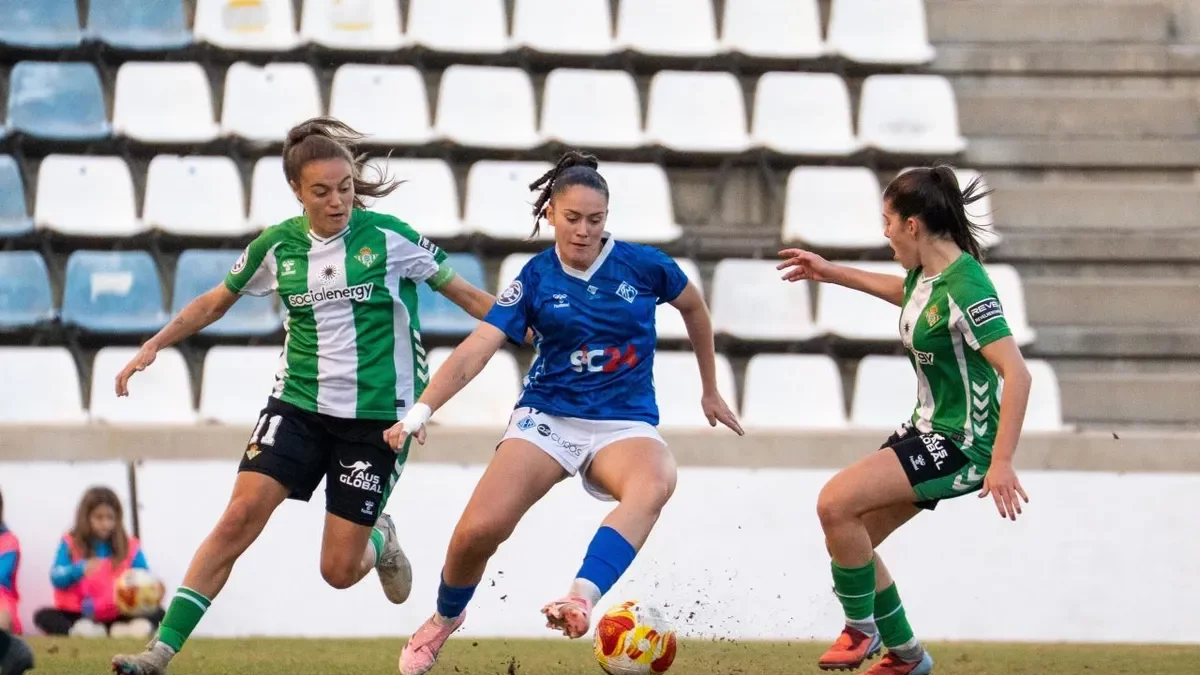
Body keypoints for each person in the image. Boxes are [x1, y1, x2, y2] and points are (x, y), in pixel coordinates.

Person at [111, 117, 502, 675]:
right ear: (297, 190)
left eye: (344, 187)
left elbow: (468, 296)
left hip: (377, 420)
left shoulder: (390, 237)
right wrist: (154, 345)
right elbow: (215, 302)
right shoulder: (278, 245)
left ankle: (380, 537)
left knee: (339, 570)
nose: (338, 200)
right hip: (296, 405)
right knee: (238, 516)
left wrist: (534, 330)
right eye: (322, 191)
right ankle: (159, 654)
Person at [384, 150, 743, 675]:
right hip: (548, 416)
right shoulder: (533, 277)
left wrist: (710, 388)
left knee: (656, 481)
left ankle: (580, 598)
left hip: (623, 422)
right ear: (551, 213)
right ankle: (443, 620)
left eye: (594, 220)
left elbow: (694, 306)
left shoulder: (645, 266)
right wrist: (421, 411)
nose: (583, 231)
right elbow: (477, 348)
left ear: (607, 218)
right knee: (476, 533)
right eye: (572, 218)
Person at [778, 165, 1032, 675]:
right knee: (852, 540)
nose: (885, 232)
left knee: (834, 502)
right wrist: (831, 272)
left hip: (964, 444)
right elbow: (907, 295)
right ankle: (907, 657)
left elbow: (1018, 374)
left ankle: (862, 629)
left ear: (913, 225)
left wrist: (1001, 462)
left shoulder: (968, 286)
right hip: (926, 430)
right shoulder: (929, 275)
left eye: (888, 221)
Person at [35, 487, 163, 639]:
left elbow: (143, 575)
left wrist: (152, 587)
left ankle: (123, 629)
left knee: (160, 613)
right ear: (85, 517)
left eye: (110, 518)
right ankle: (79, 631)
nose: (105, 524)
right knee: (42, 615)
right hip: (80, 614)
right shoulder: (70, 543)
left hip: (120, 613)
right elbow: (56, 577)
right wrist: (79, 569)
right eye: (99, 517)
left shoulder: (130, 546)